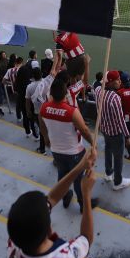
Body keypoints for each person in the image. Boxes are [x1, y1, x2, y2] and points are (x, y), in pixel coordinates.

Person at [6, 146, 97, 258]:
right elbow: (86, 238)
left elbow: (52, 198)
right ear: (49, 229)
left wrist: (80, 167)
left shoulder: (13, 246)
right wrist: (86, 194)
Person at [37, 78, 99, 213]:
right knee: (78, 179)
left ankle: (65, 196)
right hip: (74, 152)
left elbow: (41, 125)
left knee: (62, 175)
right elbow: (84, 130)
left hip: (56, 150)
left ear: (51, 95)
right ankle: (83, 204)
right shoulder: (71, 111)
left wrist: (46, 139)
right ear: (65, 94)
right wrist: (93, 144)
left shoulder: (43, 108)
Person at [93, 71, 130, 190]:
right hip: (115, 133)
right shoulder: (114, 98)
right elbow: (120, 120)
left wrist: (105, 76)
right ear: (110, 82)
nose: (120, 81)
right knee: (118, 156)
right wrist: (127, 136)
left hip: (104, 129)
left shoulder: (98, 91)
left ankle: (108, 173)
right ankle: (118, 182)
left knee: (108, 150)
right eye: (117, 80)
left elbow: (97, 83)